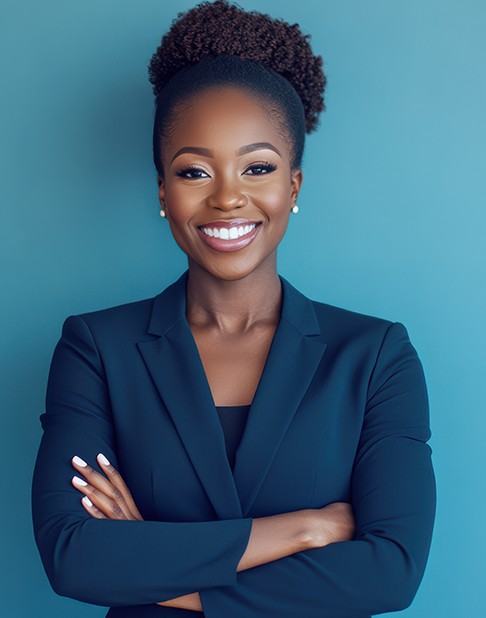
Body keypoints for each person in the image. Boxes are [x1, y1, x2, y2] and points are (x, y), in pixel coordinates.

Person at [31, 1, 437, 616]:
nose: (227, 198)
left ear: (292, 186)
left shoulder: (376, 356)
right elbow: (72, 555)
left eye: (257, 167)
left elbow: (390, 574)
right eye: (194, 171)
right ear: (162, 190)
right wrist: (303, 529)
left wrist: (153, 563)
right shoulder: (96, 349)